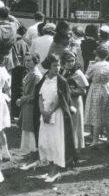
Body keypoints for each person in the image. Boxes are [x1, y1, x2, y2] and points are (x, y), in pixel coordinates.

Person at [34, 54, 76, 183]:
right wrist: (42, 110)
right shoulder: (44, 80)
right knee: (46, 143)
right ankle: (50, 169)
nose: (57, 68)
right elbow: (39, 95)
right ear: (48, 66)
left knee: (56, 143)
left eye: (58, 65)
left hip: (57, 116)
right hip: (45, 115)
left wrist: (51, 111)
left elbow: (61, 99)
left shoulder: (61, 81)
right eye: (54, 65)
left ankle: (55, 171)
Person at [84, 44, 109, 146]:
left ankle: (95, 140)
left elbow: (86, 77)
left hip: (96, 88)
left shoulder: (94, 65)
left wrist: (90, 65)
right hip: (107, 89)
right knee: (108, 114)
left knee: (96, 114)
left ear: (97, 54)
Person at [61, 51, 89, 152]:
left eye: (72, 61)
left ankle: (76, 147)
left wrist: (69, 92)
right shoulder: (63, 71)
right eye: (67, 61)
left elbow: (83, 90)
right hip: (65, 102)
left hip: (75, 102)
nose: (70, 63)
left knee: (75, 125)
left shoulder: (78, 73)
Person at [17, 52, 43, 157]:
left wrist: (21, 100)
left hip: (31, 105)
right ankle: (27, 148)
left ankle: (32, 148)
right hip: (27, 104)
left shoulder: (35, 75)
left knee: (30, 126)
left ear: (35, 62)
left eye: (29, 60)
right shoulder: (30, 73)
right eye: (25, 60)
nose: (26, 63)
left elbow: (34, 95)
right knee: (26, 125)